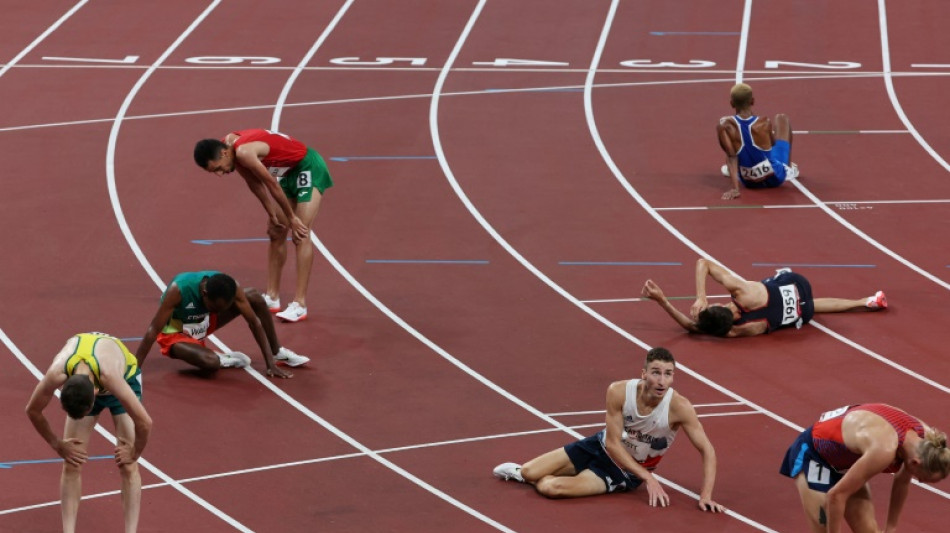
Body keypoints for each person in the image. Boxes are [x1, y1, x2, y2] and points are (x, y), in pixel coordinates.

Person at [493, 347, 726, 512]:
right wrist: (651, 479)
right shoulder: (618, 391)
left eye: (668, 374)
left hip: (624, 472)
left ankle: (571, 479)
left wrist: (705, 495)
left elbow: (708, 450)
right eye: (656, 372)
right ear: (644, 374)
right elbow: (613, 443)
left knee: (550, 487)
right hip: (600, 446)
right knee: (528, 472)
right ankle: (529, 476)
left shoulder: (680, 408)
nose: (662, 381)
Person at [193, 129, 334, 323]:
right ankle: (272, 297)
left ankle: (300, 304)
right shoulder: (230, 146)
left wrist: (292, 218)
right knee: (276, 231)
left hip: (307, 166)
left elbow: (270, 184)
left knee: (300, 232)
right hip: (288, 171)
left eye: (218, 168)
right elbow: (254, 183)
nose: (220, 174)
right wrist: (271, 212)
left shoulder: (243, 152)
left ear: (224, 153)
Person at [25, 332, 153, 533]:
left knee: (128, 465)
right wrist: (57, 444)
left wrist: (134, 452)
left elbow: (145, 422)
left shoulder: (111, 377)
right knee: (71, 461)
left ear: (94, 395)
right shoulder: (56, 373)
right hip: (89, 378)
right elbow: (32, 410)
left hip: (124, 379)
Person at [780, 404, 950, 532]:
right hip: (814, 457)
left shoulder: (925, 442)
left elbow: (902, 481)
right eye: (922, 478)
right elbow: (836, 496)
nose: (918, 480)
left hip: (846, 463)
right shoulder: (884, 449)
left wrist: (891, 528)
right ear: (916, 463)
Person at [641, 258, 887, 337]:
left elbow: (692, 328)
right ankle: (864, 302)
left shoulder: (734, 332)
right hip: (797, 283)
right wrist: (701, 297)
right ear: (719, 305)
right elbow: (702, 262)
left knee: (812, 306)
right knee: (773, 283)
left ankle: (863, 301)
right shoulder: (743, 293)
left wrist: (663, 302)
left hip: (804, 313)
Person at [135, 270, 309, 379]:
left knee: (254, 296)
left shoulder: (231, 286)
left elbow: (254, 323)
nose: (218, 312)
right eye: (214, 308)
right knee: (210, 365)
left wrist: (270, 364)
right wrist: (134, 370)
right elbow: (152, 331)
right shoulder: (179, 289)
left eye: (222, 309)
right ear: (204, 293)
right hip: (176, 334)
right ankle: (222, 359)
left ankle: (277, 351)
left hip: (203, 324)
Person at [717, 83, 799, 200]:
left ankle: (734, 171)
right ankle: (789, 168)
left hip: (749, 182)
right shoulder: (764, 122)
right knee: (781, 118)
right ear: (753, 101)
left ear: (732, 103)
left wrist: (735, 189)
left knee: (732, 149)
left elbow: (731, 156)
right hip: (775, 177)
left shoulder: (724, 125)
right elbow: (772, 144)